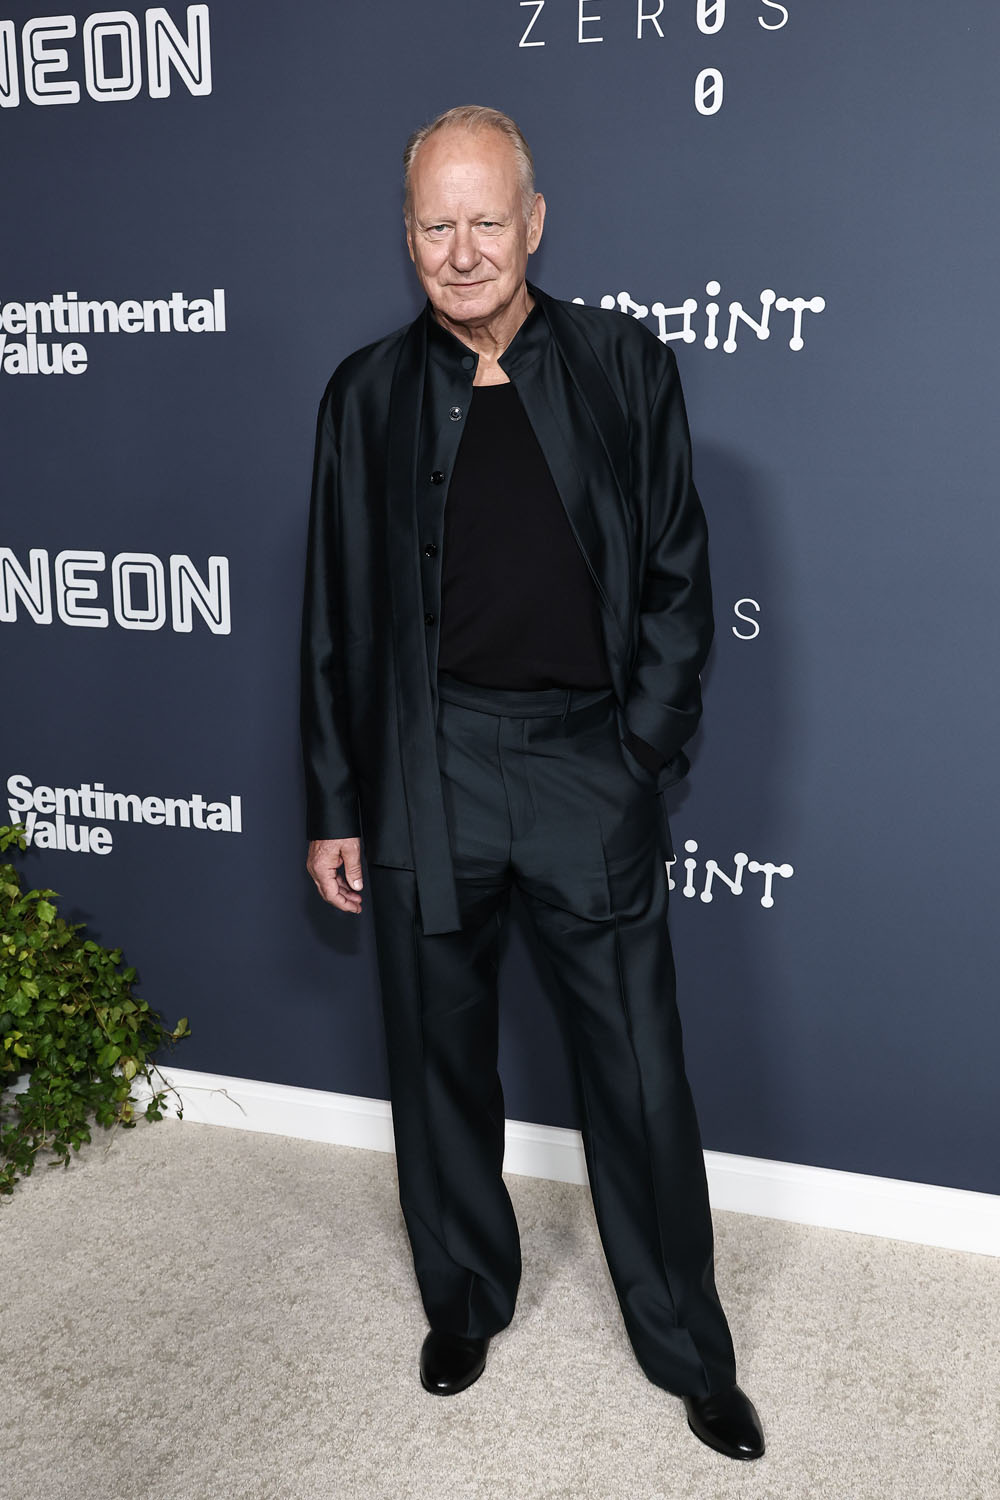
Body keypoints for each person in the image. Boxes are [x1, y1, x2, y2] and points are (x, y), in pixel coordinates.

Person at [301, 105, 764, 1462]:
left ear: (536, 222)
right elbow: (334, 615)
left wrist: (639, 757)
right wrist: (336, 800)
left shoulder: (624, 366)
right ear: (407, 238)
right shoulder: (363, 396)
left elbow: (679, 578)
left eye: (486, 221)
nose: (462, 251)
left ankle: (689, 1351)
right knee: (436, 1056)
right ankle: (462, 1300)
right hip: (426, 765)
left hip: (585, 766)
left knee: (640, 1077)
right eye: (435, 226)